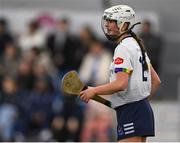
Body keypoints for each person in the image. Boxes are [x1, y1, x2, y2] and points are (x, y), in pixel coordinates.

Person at [79, 5, 161, 142]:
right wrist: (139, 101)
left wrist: (94, 91)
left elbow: (121, 84)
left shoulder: (123, 48)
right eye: (107, 21)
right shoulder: (137, 45)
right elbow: (156, 81)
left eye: (111, 21)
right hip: (140, 109)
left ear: (124, 24)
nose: (107, 24)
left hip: (132, 111)